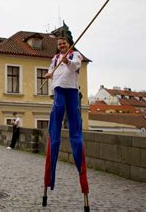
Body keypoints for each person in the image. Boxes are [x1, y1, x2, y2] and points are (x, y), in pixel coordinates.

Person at [43, 37, 88, 195]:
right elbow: (51, 70)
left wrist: (67, 61)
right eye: (59, 44)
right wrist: (49, 75)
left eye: (64, 43)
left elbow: (75, 66)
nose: (61, 46)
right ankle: (55, 129)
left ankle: (76, 143)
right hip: (59, 89)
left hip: (72, 89)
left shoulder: (75, 55)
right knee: (58, 107)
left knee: (73, 117)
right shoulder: (55, 58)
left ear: (69, 44)